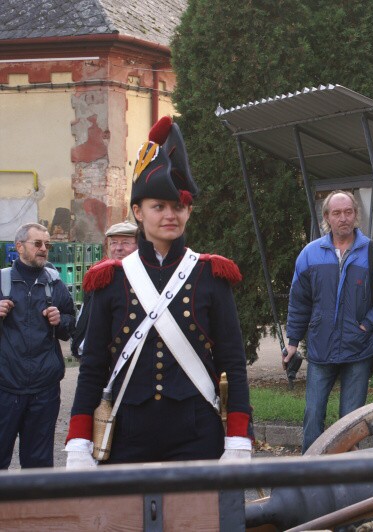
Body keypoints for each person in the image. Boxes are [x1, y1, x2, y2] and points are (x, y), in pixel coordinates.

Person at [64, 116, 252, 467]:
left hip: (197, 431)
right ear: (138, 211)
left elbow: (233, 364)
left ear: (189, 211)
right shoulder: (111, 279)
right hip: (127, 432)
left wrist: (239, 437)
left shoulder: (211, 274)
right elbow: (92, 368)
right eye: (159, 206)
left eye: (179, 206)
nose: (171, 215)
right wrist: (78, 440)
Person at [283, 190, 373, 452]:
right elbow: (299, 302)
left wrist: (367, 324)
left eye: (348, 212)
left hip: (358, 349)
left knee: (351, 422)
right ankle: (309, 472)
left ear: (355, 215)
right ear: (326, 217)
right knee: (313, 416)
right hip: (320, 348)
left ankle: (346, 476)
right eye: (337, 213)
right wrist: (293, 341)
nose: (343, 218)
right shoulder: (310, 254)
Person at [0, 223, 76, 469]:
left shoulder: (54, 284)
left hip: (44, 390)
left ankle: (35, 509)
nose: (44, 249)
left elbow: (71, 326)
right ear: (19, 246)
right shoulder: (2, 282)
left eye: (47, 244)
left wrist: (60, 320)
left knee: (39, 464)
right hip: (6, 387)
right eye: (38, 244)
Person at [71, 221, 139, 360]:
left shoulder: (147, 277)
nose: (118, 248)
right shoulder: (99, 276)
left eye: (126, 242)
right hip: (98, 355)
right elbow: (87, 316)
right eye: (113, 243)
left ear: (139, 246)